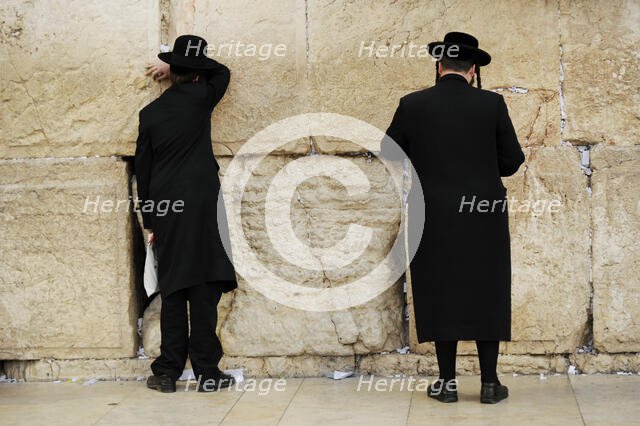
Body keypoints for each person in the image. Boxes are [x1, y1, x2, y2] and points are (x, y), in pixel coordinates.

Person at [381, 32, 525, 404]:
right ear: (473, 70)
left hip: (432, 214)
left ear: (439, 66)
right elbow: (512, 161)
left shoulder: (412, 104)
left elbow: (389, 151)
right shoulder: (491, 104)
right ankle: (490, 383)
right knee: (486, 289)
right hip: (483, 214)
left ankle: (446, 384)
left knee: (439, 289)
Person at [135, 34, 238, 393]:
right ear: (197, 72)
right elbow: (222, 72)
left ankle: (167, 371)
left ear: (173, 72)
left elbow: (143, 173)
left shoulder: (149, 113)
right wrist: (181, 65)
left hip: (166, 207)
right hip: (204, 203)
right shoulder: (201, 97)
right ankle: (208, 372)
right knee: (206, 283)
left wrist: (150, 221)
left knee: (174, 287)